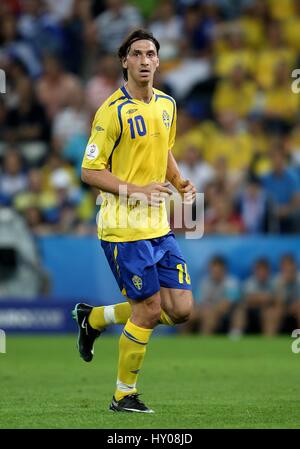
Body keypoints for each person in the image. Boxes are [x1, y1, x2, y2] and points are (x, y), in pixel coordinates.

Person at [72, 29, 196, 414]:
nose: (144, 60)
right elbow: (90, 170)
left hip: (159, 227)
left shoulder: (167, 105)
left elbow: (165, 148)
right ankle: (123, 395)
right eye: (137, 54)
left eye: (151, 54)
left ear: (158, 61)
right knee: (146, 310)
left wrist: (177, 180)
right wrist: (136, 190)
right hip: (123, 228)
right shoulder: (111, 112)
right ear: (124, 61)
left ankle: (93, 318)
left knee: (180, 310)